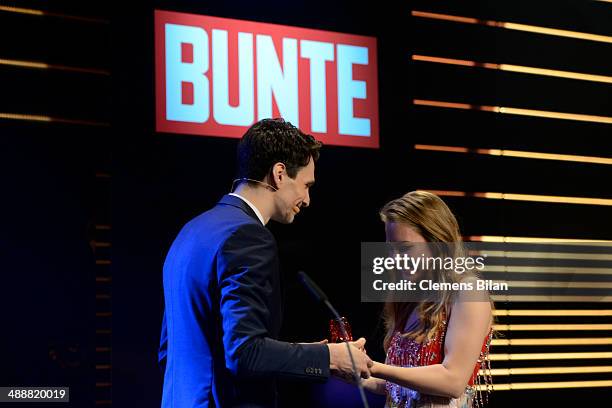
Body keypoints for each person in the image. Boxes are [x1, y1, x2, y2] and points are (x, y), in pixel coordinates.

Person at [159, 118, 372, 408]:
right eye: (306, 185)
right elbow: (244, 353)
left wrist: (306, 352)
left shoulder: (191, 232)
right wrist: (330, 358)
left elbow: (172, 350)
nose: (307, 199)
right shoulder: (249, 237)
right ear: (280, 174)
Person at [360, 191, 493, 408]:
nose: (395, 258)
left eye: (404, 248)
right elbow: (400, 384)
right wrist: (358, 371)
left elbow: (453, 381)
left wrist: (372, 366)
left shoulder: (468, 291)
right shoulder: (408, 299)